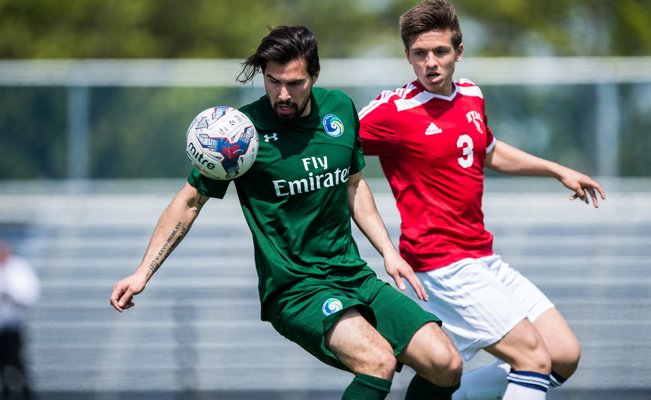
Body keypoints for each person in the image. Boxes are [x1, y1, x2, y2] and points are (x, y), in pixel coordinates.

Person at [110, 25, 462, 400]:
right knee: (377, 362)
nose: (281, 94)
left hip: (353, 275)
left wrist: (387, 251)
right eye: (272, 81)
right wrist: (143, 272)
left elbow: (354, 185)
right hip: (295, 289)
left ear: (314, 75)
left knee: (446, 365)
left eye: (293, 83)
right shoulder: (240, 135)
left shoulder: (340, 109)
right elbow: (190, 201)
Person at [358, 1, 606, 399]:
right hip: (441, 263)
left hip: (482, 256)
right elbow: (333, 143)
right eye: (420, 54)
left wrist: (557, 169)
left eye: (440, 51)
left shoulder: (471, 95)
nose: (431, 63)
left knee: (562, 355)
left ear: (458, 51)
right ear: (408, 57)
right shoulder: (394, 111)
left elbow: (486, 151)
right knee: (533, 361)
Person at [0, 241, 40, 400]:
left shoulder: (18, 267)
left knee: (13, 368)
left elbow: (28, 296)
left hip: (10, 330)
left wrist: (7, 294)